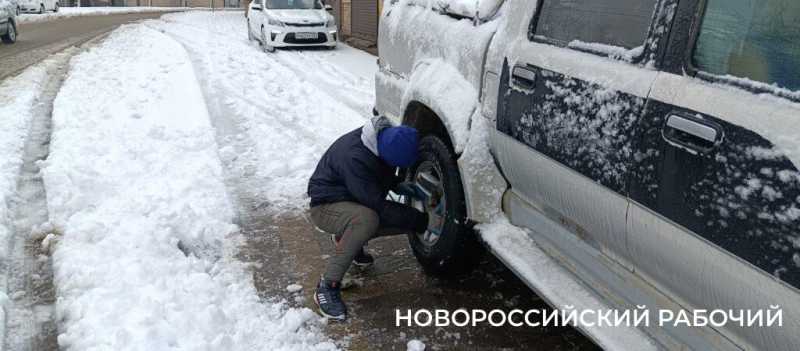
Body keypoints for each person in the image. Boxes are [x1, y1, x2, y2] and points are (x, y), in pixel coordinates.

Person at [307, 116, 439, 321]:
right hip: (325, 207)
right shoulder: (355, 158)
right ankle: (327, 286)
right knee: (367, 220)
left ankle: (349, 240)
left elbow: (378, 171)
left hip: (350, 197)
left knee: (377, 218)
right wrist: (421, 220)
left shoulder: (382, 139)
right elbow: (377, 205)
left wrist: (397, 184)